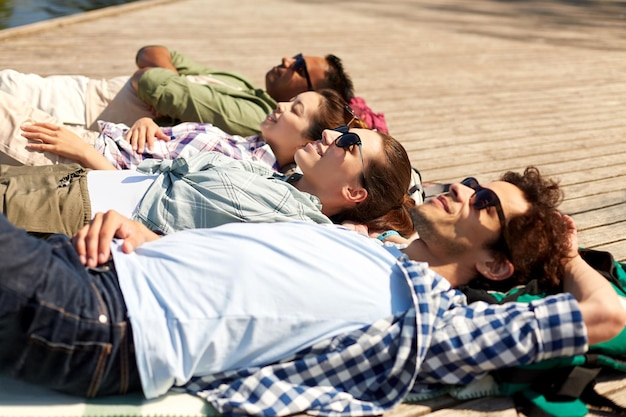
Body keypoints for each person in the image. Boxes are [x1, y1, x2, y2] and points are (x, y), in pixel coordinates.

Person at [1, 167, 623, 416]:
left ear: (493, 267)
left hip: (106, 323)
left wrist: (562, 253)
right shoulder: (365, 243)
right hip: (100, 265)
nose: (464, 190)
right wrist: (150, 235)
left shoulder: (435, 323)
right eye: (470, 182)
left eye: (485, 205)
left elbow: (606, 311)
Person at [0, 127, 417, 238]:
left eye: (347, 142)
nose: (331, 134)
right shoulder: (276, 182)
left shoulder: (297, 228)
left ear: (354, 193)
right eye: (342, 128)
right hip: (77, 183)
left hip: (70, 213)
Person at [0, 46, 378, 138]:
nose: (287, 59)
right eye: (296, 56)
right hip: (74, 91)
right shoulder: (243, 86)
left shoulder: (253, 118)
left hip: (76, 114)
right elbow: (155, 53)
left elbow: (150, 80)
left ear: (314, 94)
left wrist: (162, 80)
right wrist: (165, 79)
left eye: (299, 68)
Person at [0, 88, 357, 171]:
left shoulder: (246, 170)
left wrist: (82, 152)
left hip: (75, 159)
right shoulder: (246, 145)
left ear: (309, 140)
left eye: (295, 109)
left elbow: (149, 201)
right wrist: (149, 123)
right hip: (86, 140)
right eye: (291, 99)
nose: (280, 105)